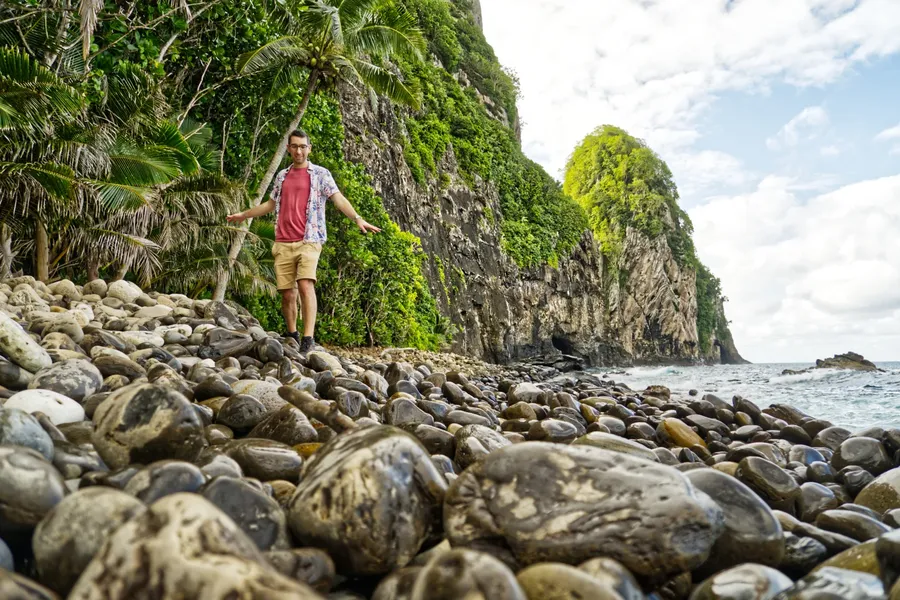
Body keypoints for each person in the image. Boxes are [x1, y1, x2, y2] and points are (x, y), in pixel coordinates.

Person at [227, 129, 381, 352]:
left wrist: (357, 218)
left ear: (309, 148)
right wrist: (244, 214)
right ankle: (293, 335)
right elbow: (270, 204)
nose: (298, 151)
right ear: (288, 149)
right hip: (283, 241)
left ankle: (308, 338)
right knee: (287, 294)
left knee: (305, 284)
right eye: (294, 146)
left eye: (302, 146)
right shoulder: (282, 176)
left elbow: (338, 198)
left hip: (309, 239)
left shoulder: (320, 174)